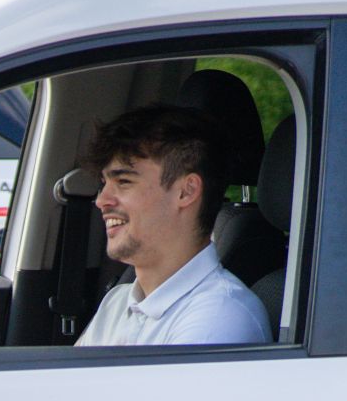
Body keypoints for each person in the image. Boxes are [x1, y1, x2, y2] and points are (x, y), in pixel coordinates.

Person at [75, 103, 271, 347]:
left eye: (124, 181)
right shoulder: (117, 303)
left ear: (186, 191)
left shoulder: (219, 317)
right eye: (103, 183)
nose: (102, 200)